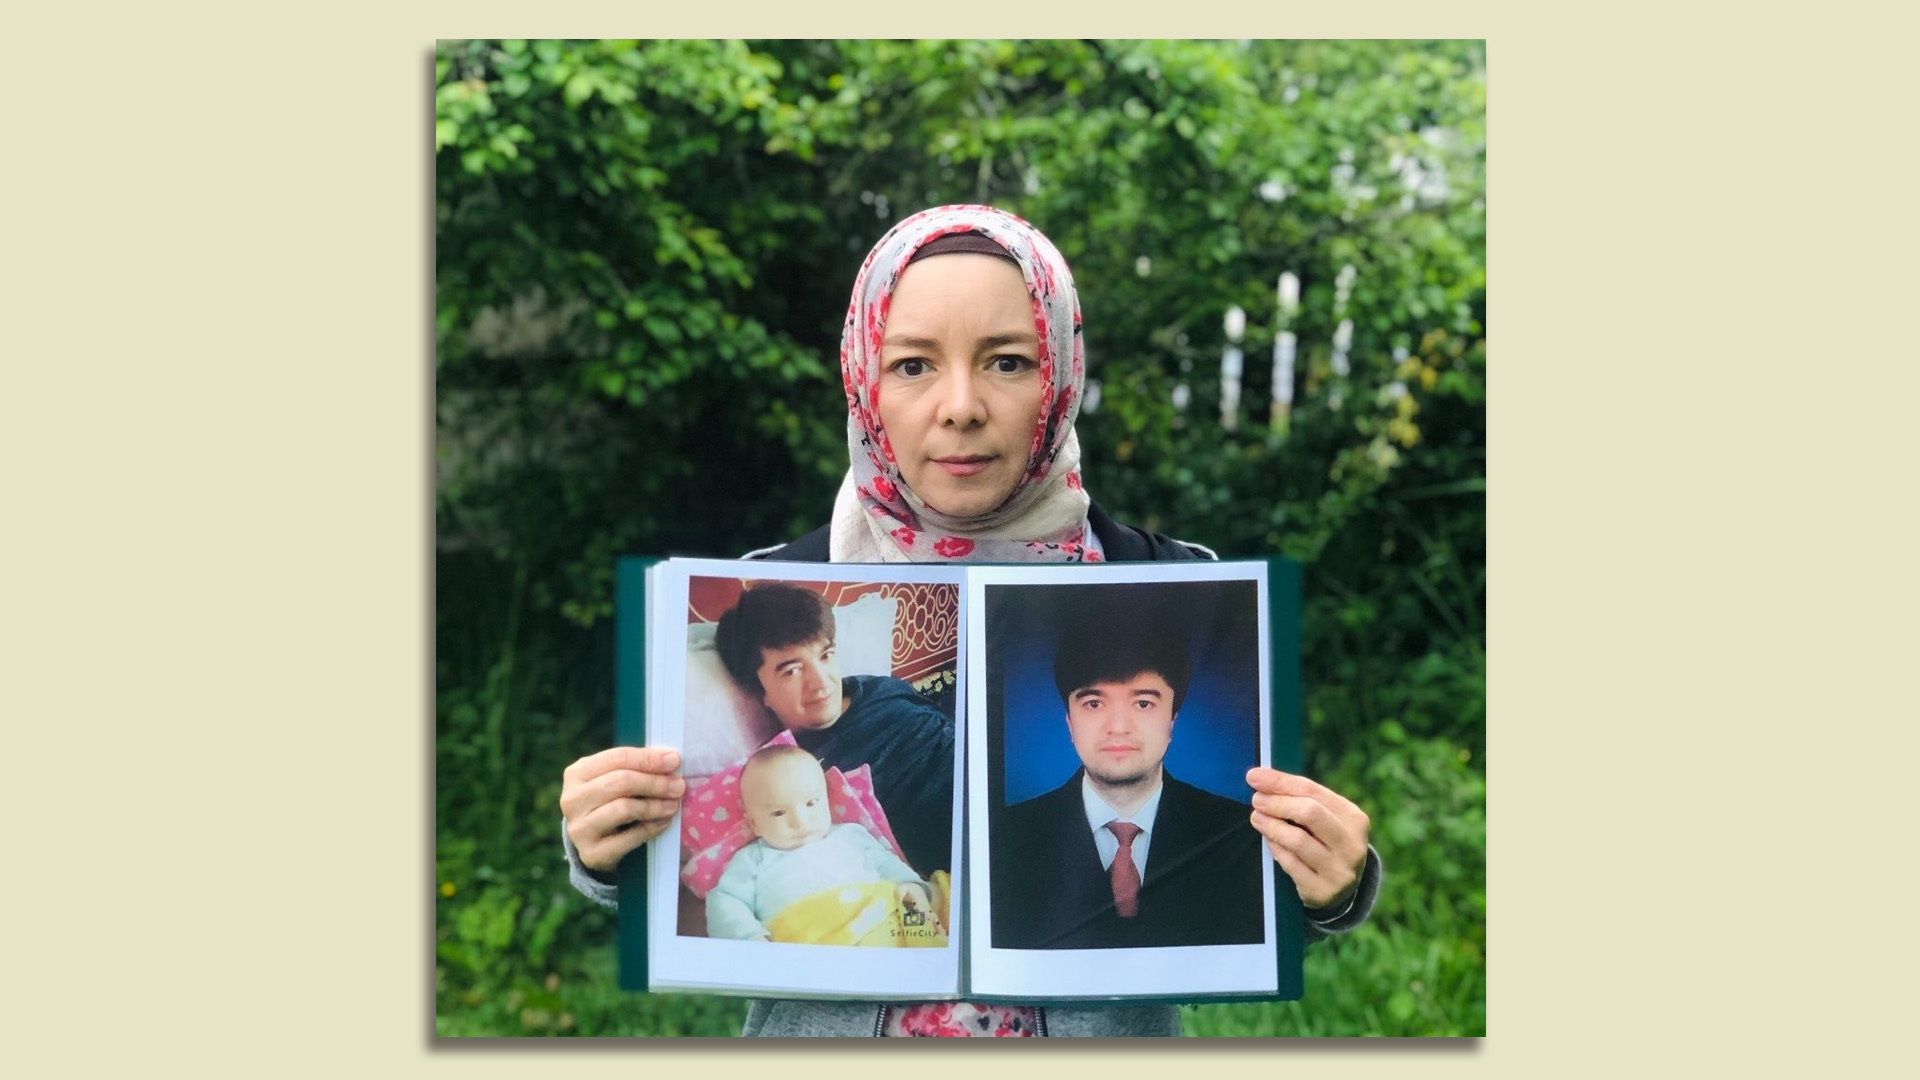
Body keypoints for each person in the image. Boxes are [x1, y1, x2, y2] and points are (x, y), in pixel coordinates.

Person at [558, 204, 1381, 1037]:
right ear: (863, 381)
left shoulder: (1177, 587)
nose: (960, 406)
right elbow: (688, 869)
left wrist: (1329, 881)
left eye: (1009, 361)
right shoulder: (771, 587)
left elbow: (1232, 876)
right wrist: (608, 847)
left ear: (1061, 372)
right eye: (913, 364)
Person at [992, 612, 1265, 950]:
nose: (1118, 727)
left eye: (1143, 703)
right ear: (1069, 723)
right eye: (1093, 703)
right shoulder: (1004, 837)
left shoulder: (1238, 832)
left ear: (1172, 720)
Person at [711, 582, 953, 877]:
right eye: (792, 670)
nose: (822, 682)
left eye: (825, 656)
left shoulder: (879, 687)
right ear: (759, 691)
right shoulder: (793, 774)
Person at [706, 745, 943, 946]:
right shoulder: (752, 859)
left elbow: (886, 863)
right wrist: (751, 937)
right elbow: (725, 900)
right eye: (778, 812)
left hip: (882, 924)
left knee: (925, 903)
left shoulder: (852, 835)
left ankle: (932, 967)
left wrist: (910, 886)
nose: (800, 821)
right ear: (754, 824)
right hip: (813, 950)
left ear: (827, 800)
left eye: (811, 803)